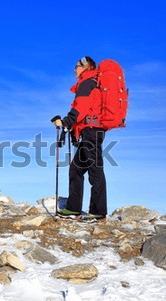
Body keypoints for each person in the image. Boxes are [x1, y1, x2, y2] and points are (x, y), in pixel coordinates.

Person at [53, 56, 107, 221]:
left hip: (92, 131)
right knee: (76, 168)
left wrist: (66, 121)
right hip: (90, 131)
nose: (74, 69)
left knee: (95, 170)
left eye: (77, 66)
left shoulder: (87, 83)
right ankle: (73, 208)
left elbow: (80, 107)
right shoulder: (91, 83)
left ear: (86, 66)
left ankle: (98, 211)